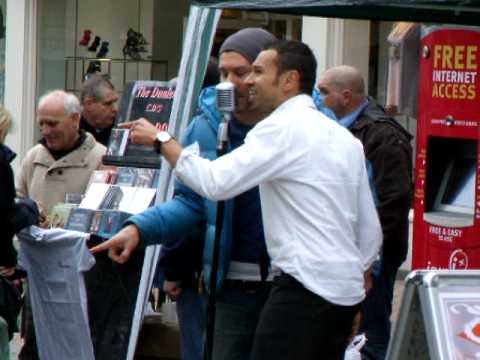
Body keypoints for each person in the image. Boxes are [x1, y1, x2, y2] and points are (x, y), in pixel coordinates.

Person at [93, 40, 382, 359]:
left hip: (302, 289)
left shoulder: (280, 128)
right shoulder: (344, 138)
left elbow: (215, 182)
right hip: (339, 295)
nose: (247, 81)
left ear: (289, 80)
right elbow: (369, 233)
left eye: (257, 71)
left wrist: (162, 140)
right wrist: (353, 290)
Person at [94, 27, 276, 360]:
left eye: (241, 71)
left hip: (286, 283)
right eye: (223, 72)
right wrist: (139, 228)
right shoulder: (207, 126)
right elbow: (191, 201)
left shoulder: (296, 125)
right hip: (230, 285)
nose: (230, 82)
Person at [317, 65, 413, 360]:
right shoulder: (337, 128)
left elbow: (392, 204)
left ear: (345, 96)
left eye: (323, 91)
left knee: (370, 335)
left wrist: (371, 261)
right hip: (346, 251)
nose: (318, 98)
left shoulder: (381, 134)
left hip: (372, 257)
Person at [16, 90, 105, 360]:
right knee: (35, 343)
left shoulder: (100, 158)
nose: (46, 130)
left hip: (81, 272)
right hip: (38, 269)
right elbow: (17, 200)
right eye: (41, 123)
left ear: (75, 119)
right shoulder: (33, 157)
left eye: (52, 123)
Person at [80, 74, 119, 146]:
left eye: (115, 102)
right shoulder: (72, 130)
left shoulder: (121, 128)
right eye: (108, 103)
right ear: (89, 104)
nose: (115, 109)